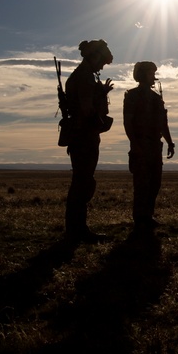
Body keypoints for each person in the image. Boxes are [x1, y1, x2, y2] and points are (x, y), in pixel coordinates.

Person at [63, 39, 114, 241]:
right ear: (95, 57)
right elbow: (86, 110)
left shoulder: (84, 76)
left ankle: (76, 228)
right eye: (101, 62)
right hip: (84, 136)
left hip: (83, 135)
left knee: (83, 181)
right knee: (82, 183)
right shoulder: (84, 78)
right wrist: (99, 119)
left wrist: (101, 93)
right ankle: (77, 230)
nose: (102, 66)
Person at [123, 61, 175, 231]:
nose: (153, 76)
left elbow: (163, 123)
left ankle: (148, 216)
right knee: (141, 184)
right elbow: (128, 122)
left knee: (155, 183)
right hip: (141, 144)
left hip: (154, 145)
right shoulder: (132, 96)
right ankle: (140, 219)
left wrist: (169, 142)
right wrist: (134, 143)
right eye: (151, 73)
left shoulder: (155, 98)